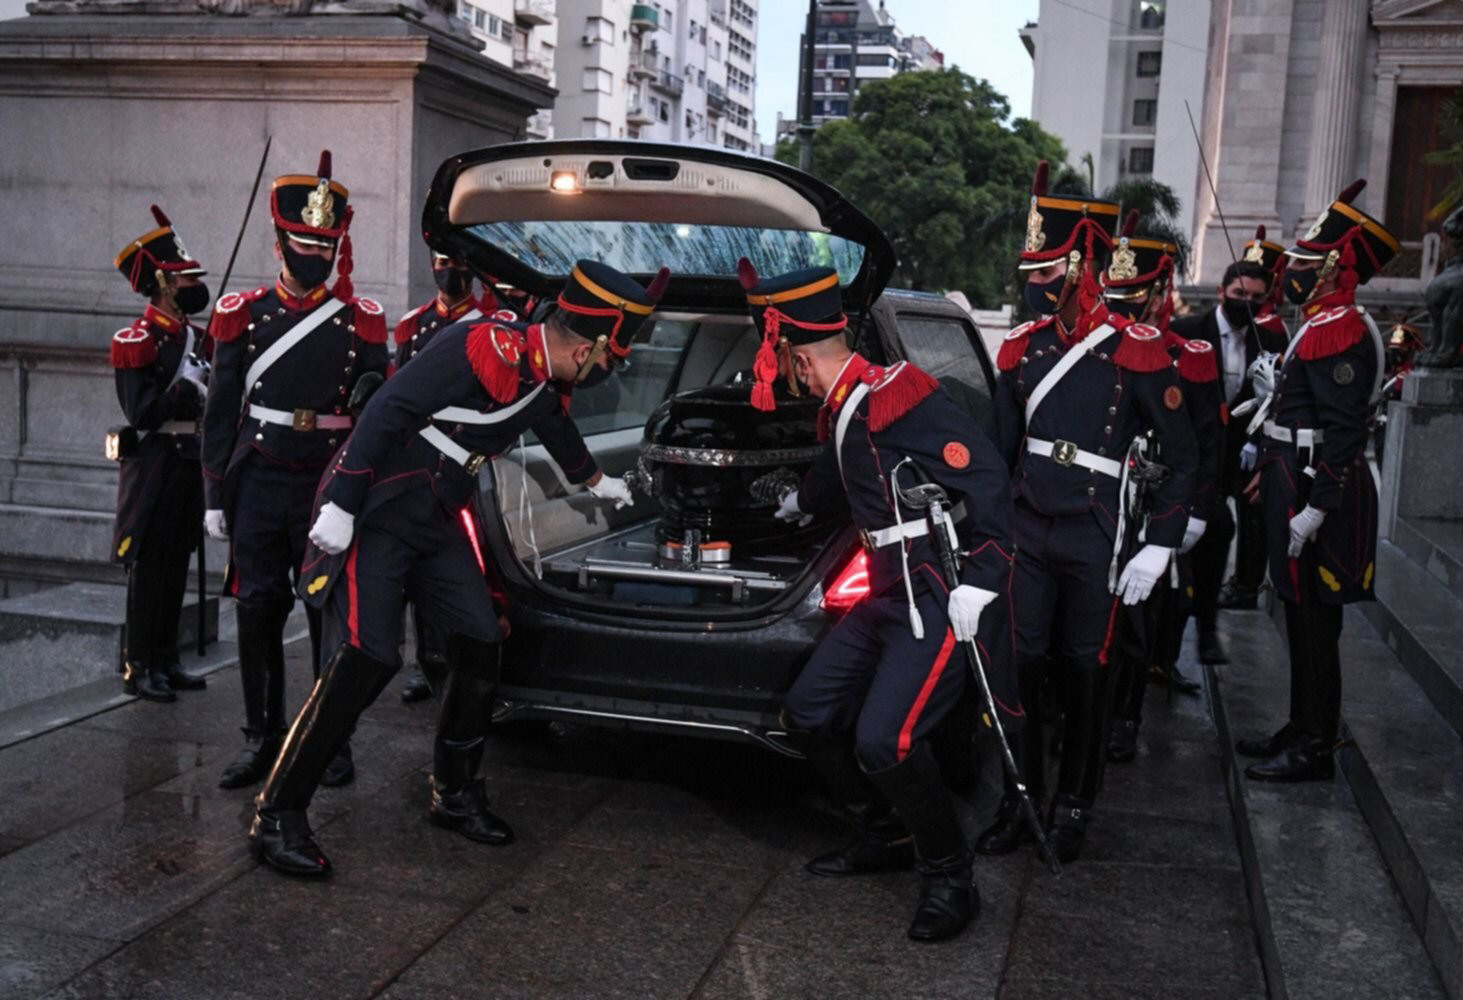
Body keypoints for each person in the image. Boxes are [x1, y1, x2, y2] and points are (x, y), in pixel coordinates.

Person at [247, 260, 660, 877]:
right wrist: (341, 503)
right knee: (366, 655)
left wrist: (595, 481)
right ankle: (276, 814)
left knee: (479, 636)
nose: (607, 371)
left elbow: (549, 418)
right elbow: (388, 408)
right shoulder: (482, 341)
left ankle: (455, 793)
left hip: (436, 514)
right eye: (607, 358)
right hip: (382, 505)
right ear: (589, 342)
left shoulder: (541, 368)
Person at [762, 259, 1016, 943]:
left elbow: (987, 476)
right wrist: (795, 504)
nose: (789, 376)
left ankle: (949, 874)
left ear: (795, 355)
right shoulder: (846, 402)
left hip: (931, 594)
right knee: (808, 715)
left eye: (785, 362)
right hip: (880, 592)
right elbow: (839, 465)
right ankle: (885, 835)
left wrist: (981, 581)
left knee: (887, 740)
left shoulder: (896, 393)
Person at [980, 162, 1197, 864]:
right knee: (1022, 665)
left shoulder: (1135, 350)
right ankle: (1019, 802)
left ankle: (1073, 802)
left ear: (1080, 267)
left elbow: (1183, 452)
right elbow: (1000, 449)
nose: (1032, 284)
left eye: (1045, 273)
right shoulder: (1023, 345)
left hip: (1095, 531)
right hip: (1027, 525)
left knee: (1084, 670)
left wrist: (1158, 543)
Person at [202, 151, 390, 791]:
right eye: (304, 241)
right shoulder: (242, 315)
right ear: (281, 241)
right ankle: (262, 736)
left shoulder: (361, 321)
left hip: (323, 484)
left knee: (323, 612)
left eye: (325, 244)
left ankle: (325, 736)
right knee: (257, 609)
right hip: (257, 477)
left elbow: (376, 412)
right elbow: (221, 409)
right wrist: (214, 493)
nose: (314, 253)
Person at [1238, 180, 1397, 782]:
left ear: (1333, 270)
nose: (1294, 272)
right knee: (1297, 613)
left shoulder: (1341, 329)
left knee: (1314, 621)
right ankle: (1300, 724)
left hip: (1315, 488)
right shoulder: (1318, 323)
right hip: (1290, 477)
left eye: (1306, 263)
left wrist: (1316, 508)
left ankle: (1314, 743)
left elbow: (1343, 431)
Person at [1099, 217, 1223, 762]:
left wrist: (1193, 511)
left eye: (1135, 296)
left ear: (1159, 295)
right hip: (1105, 500)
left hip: (1157, 505)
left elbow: (1205, 438)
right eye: (1117, 295)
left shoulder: (1188, 354)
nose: (1125, 307)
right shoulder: (1100, 345)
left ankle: (1125, 715)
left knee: (1138, 616)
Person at [109, 205, 212, 701]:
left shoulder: (196, 337)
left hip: (189, 461)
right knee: (148, 567)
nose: (194, 284)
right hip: (154, 465)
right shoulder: (137, 340)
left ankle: (169, 658)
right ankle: (139, 663)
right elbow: (141, 413)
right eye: (185, 277)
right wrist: (184, 391)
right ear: (164, 285)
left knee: (177, 563)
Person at [391, 252, 498, 704]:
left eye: (458, 263)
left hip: (468, 454)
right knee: (420, 555)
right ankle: (425, 659)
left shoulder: (490, 324)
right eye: (441, 261)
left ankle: (465, 652)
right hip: (422, 457)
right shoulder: (413, 326)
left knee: (472, 561)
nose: (450, 270)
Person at [1177, 235, 1290, 636]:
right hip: (1196, 456)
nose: (1248, 302)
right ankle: (1186, 610)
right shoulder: (1187, 331)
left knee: (1243, 525)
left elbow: (1278, 400)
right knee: (1194, 536)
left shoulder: (1273, 340)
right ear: (1223, 291)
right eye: (1240, 293)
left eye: (1257, 297)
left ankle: (1235, 592)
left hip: (1243, 455)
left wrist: (1262, 447)